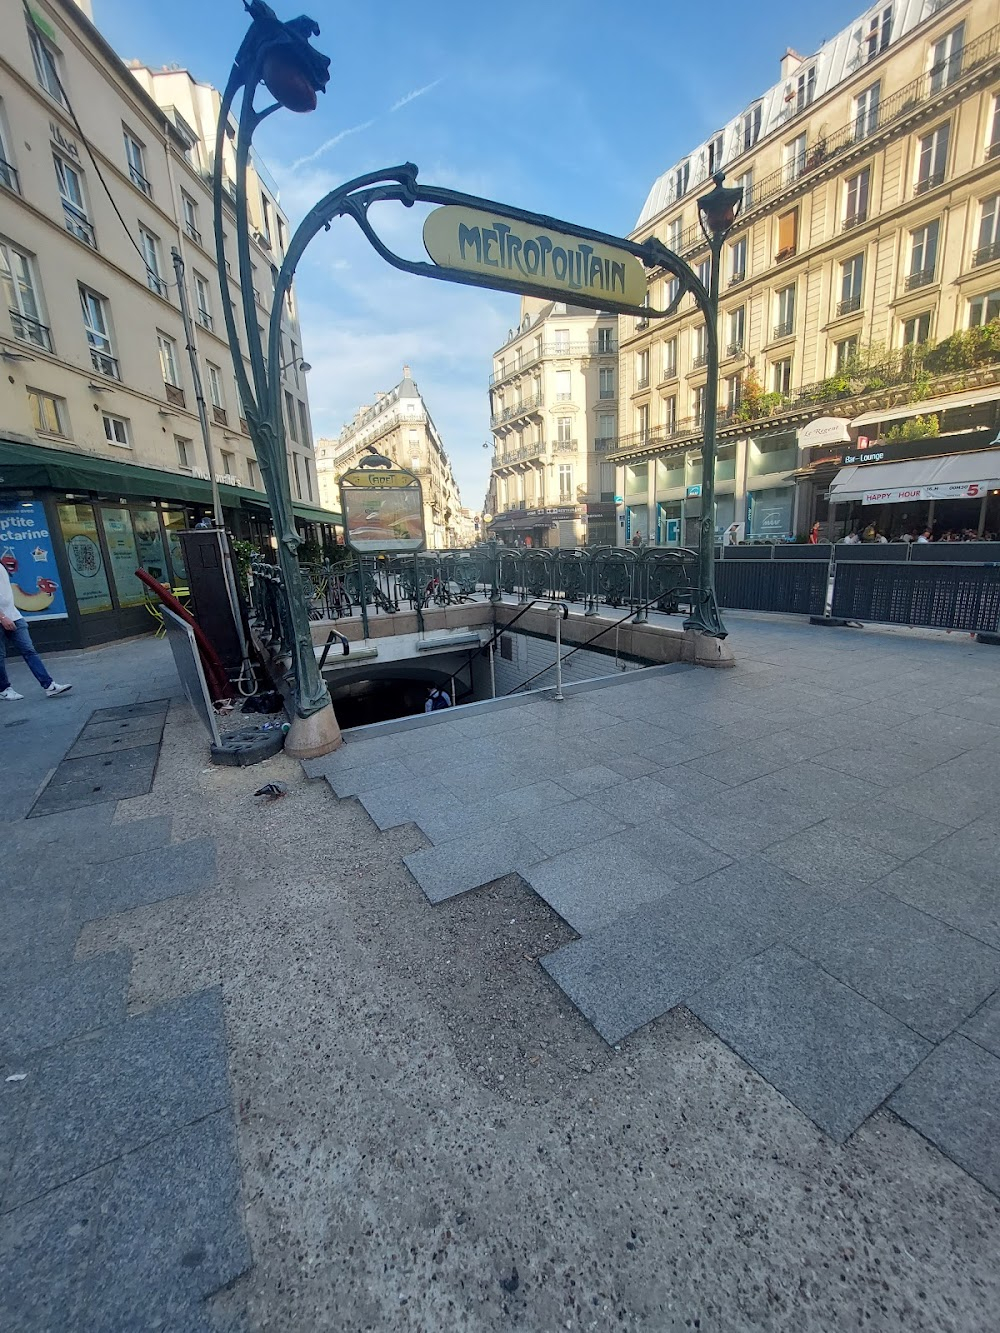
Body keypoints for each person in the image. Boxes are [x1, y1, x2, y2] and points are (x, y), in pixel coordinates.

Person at [0, 560, 71, 700]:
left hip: (14, 615)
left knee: (29, 650)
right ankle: (4, 689)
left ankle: (49, 686)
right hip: (3, 617)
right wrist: (2, 617)